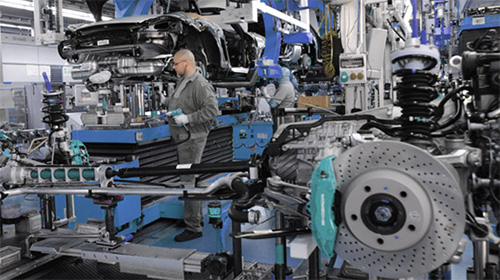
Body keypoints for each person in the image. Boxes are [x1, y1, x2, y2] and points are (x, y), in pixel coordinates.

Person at [162, 49, 219, 242]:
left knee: (189, 180)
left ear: (186, 63)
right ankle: (193, 217)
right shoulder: (183, 82)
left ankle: (193, 227)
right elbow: (182, 102)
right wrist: (167, 103)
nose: (174, 67)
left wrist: (188, 118)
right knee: (187, 179)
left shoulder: (200, 84)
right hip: (183, 138)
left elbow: (212, 109)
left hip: (192, 138)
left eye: (176, 64)